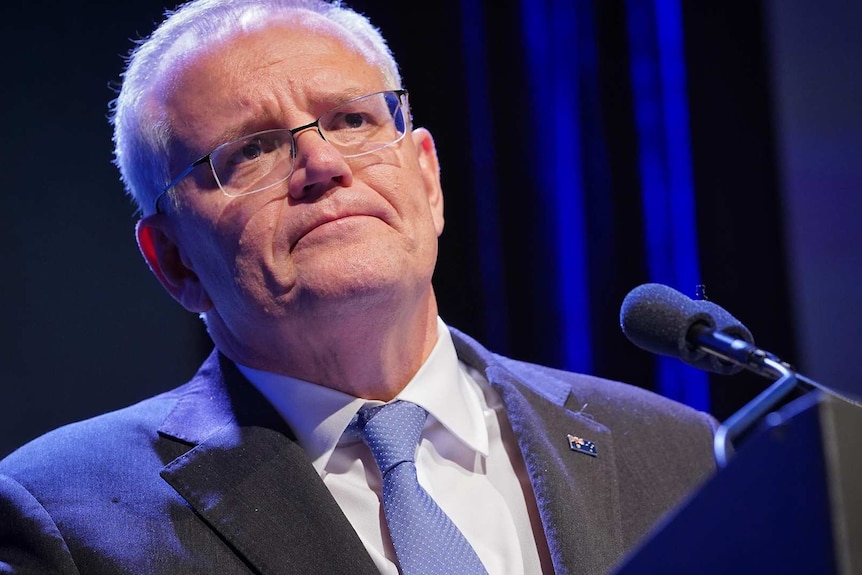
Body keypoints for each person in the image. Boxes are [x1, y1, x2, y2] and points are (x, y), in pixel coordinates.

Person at [0, 0, 718, 573]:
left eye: (352, 119)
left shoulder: (677, 453)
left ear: (428, 180)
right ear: (175, 260)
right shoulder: (66, 515)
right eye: (251, 151)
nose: (321, 162)